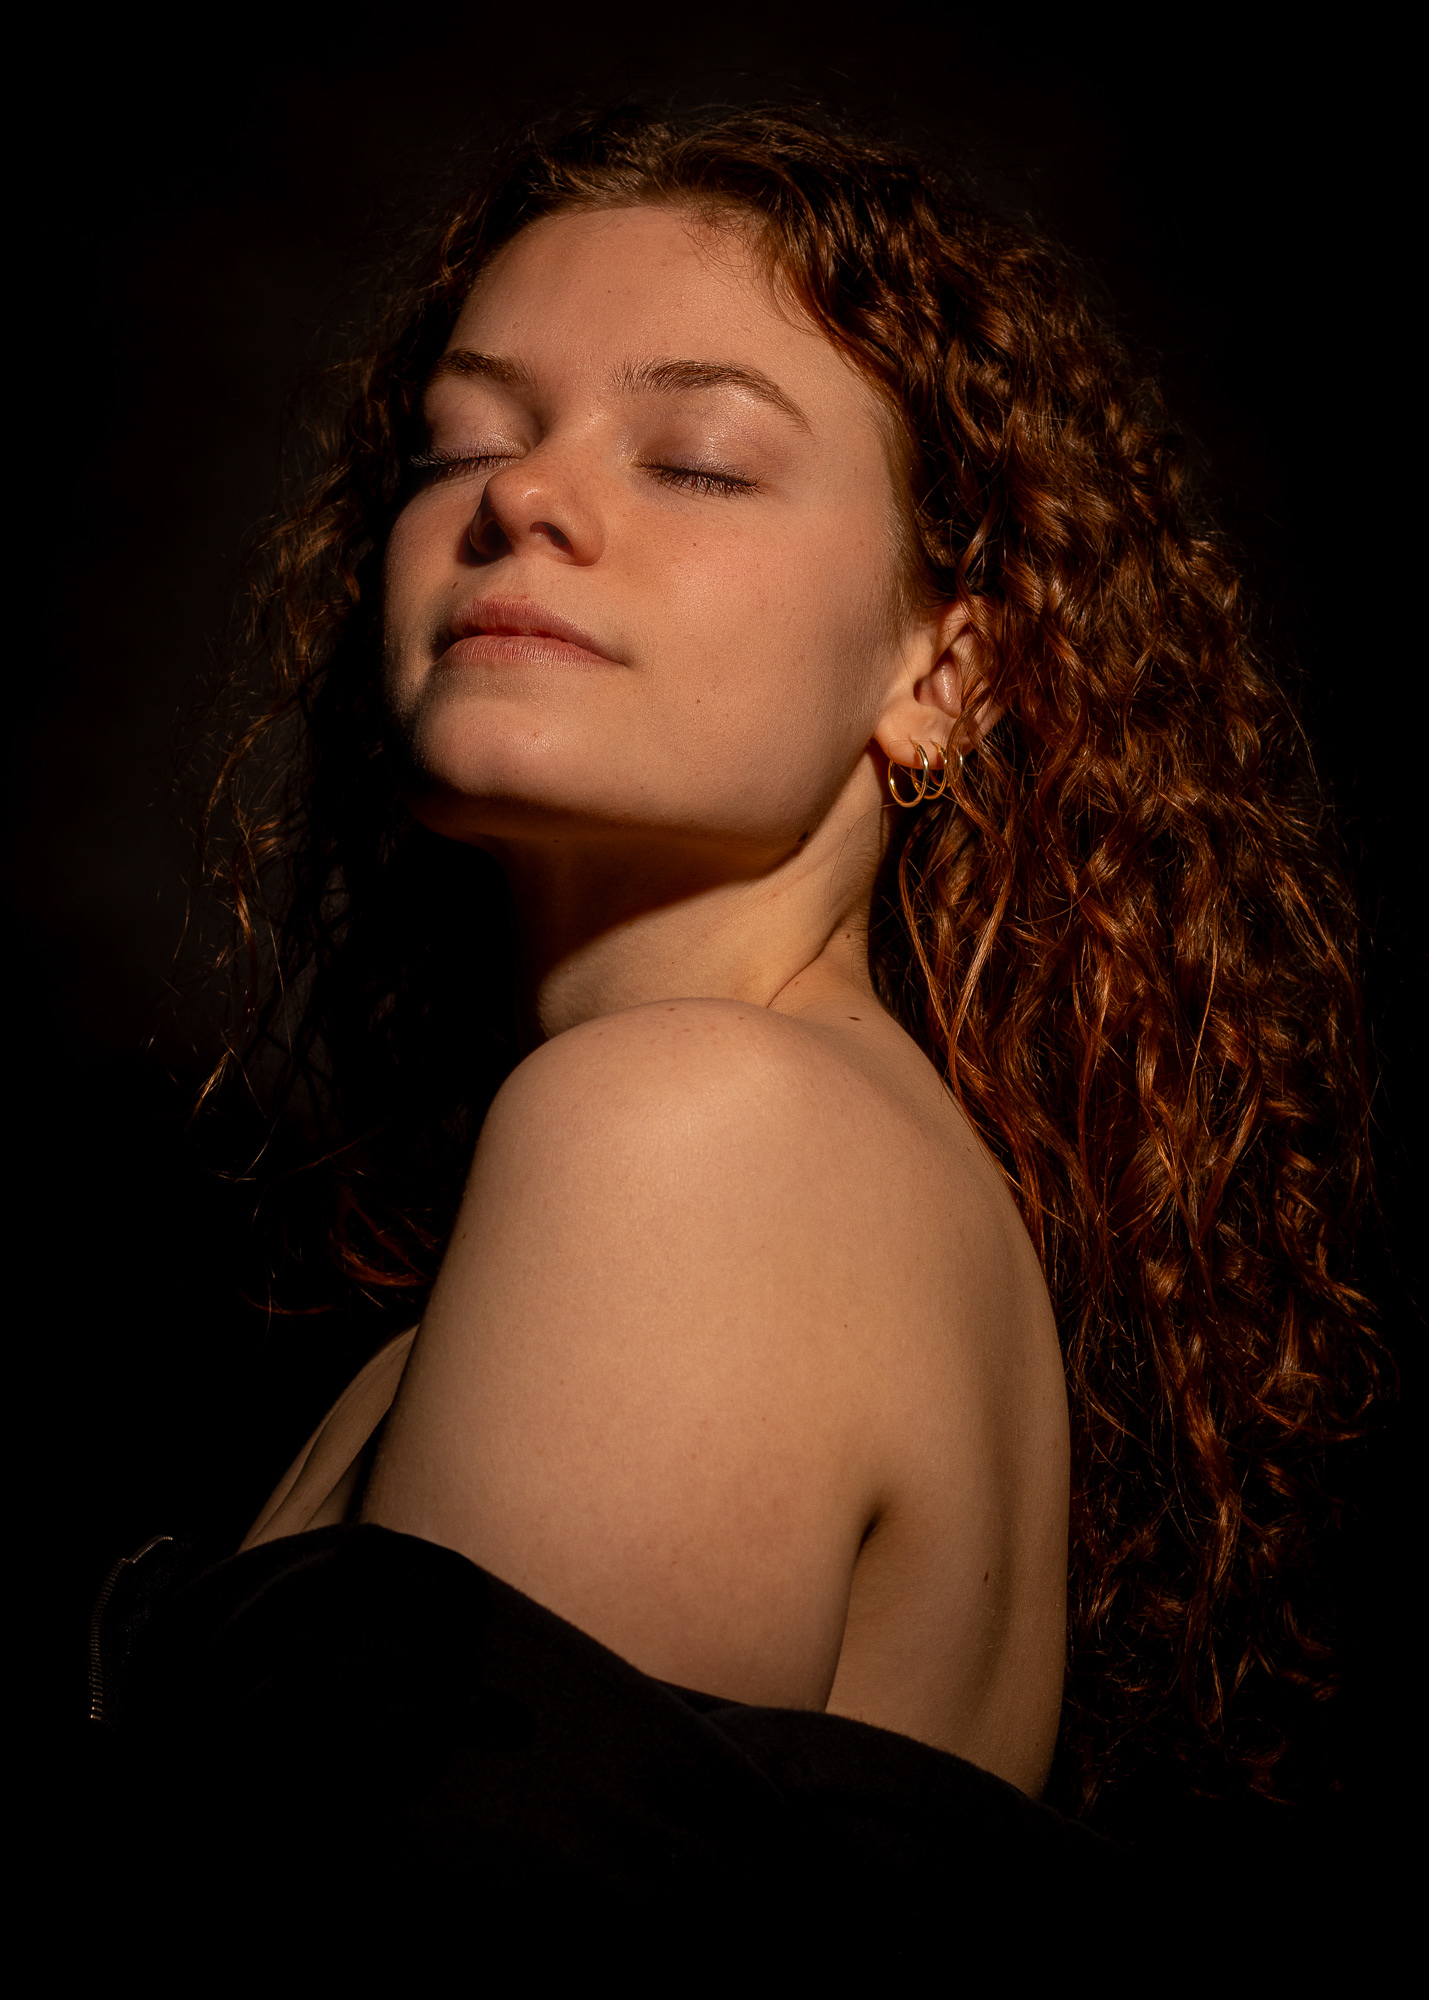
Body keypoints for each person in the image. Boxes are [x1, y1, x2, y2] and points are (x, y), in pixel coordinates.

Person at [92, 107, 1381, 1923]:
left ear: (941, 675)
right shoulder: (783, 1149)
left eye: (694, 458)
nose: (519, 497)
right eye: (458, 442)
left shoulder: (691, 1130)